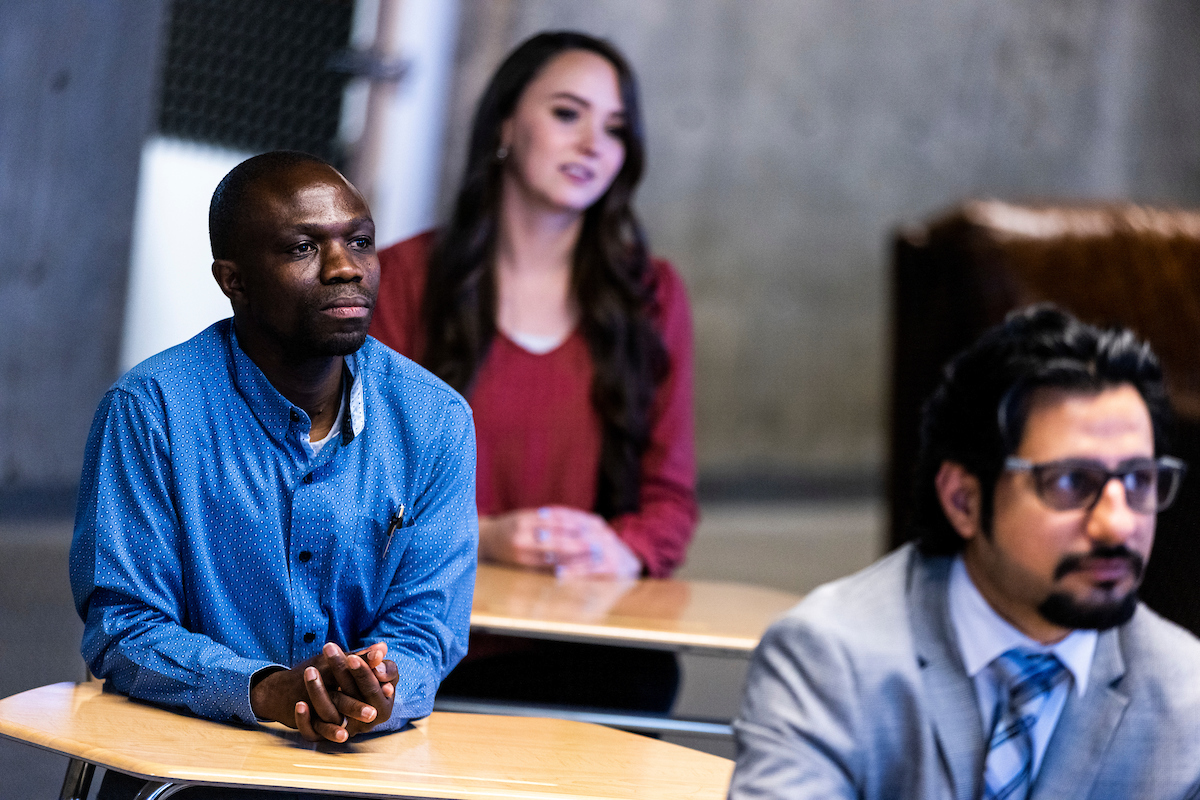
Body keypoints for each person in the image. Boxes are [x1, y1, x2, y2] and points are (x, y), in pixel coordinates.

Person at [69, 151, 477, 797]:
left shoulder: (434, 420)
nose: (346, 268)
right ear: (233, 280)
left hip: (358, 771)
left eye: (361, 241)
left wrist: (371, 690)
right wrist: (267, 691)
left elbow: (428, 627)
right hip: (186, 770)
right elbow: (124, 629)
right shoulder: (152, 410)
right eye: (301, 248)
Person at [728, 306, 1200, 799]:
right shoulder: (831, 659)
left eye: (1138, 481)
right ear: (964, 501)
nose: (1118, 523)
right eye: (1069, 481)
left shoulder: (1186, 699)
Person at [369, 32, 695, 710]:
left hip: (589, 640)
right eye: (568, 113)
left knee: (644, 684)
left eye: (615, 128)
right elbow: (355, 494)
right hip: (422, 632)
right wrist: (480, 535)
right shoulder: (399, 280)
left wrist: (620, 548)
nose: (593, 145)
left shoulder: (653, 294)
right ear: (505, 125)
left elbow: (670, 502)